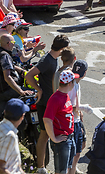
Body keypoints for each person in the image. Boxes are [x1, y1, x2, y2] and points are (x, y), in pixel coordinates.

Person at [25, 35, 70, 174]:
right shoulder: (48, 61)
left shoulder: (52, 59)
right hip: (45, 103)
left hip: (51, 102)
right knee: (44, 136)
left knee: (48, 134)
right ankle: (40, 167)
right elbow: (29, 75)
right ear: (62, 49)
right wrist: (39, 90)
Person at [43, 70, 78, 174]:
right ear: (70, 83)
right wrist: (53, 138)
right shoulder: (55, 99)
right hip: (62, 141)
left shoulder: (65, 95)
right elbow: (47, 119)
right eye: (74, 81)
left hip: (69, 138)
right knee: (61, 171)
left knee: (67, 168)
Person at [0, 34, 33, 119]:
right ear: (8, 43)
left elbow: (9, 66)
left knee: (4, 119)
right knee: (33, 94)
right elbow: (7, 77)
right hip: (7, 90)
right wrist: (21, 92)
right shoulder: (5, 55)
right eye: (13, 42)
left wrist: (21, 70)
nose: (14, 44)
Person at [0, 98, 29, 174]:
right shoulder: (9, 136)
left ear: (4, 112)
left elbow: (15, 166)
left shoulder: (0, 127)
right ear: (22, 116)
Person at [69, 60, 93, 174]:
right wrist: (84, 108)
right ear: (85, 73)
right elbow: (68, 106)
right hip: (71, 122)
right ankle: (71, 170)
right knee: (75, 150)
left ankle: (73, 166)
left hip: (77, 119)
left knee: (82, 144)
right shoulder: (72, 85)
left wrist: (80, 110)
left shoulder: (76, 83)